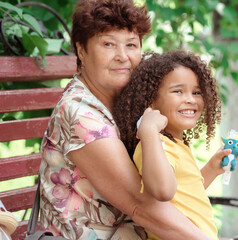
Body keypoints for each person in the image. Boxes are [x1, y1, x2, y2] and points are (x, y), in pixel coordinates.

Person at [39, 0, 226, 239]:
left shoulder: (128, 105)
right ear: (82, 50)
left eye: (131, 45)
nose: (123, 56)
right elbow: (141, 205)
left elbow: (171, 192)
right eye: (108, 44)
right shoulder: (80, 114)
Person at [113, 51, 233, 240]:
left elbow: (182, 196)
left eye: (196, 92)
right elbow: (163, 191)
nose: (190, 99)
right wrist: (149, 131)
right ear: (151, 99)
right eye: (178, 91)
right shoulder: (153, 145)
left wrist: (212, 168)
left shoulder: (173, 144)